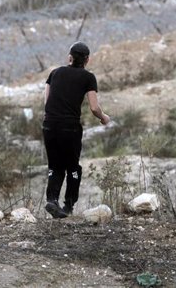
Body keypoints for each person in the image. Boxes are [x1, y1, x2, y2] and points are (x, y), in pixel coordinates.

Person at [42, 41, 110, 219]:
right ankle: (68, 206)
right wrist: (104, 118)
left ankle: (52, 199)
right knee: (73, 167)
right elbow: (94, 108)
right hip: (69, 127)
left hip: (49, 124)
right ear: (87, 59)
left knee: (55, 166)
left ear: (69, 57)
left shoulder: (54, 73)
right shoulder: (88, 77)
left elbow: (46, 101)